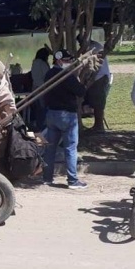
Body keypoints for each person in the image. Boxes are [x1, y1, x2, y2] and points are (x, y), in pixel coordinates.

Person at [42, 49, 88, 189]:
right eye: (68, 61)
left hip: (51, 114)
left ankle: (47, 178)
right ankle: (73, 180)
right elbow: (81, 91)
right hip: (67, 115)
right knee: (70, 148)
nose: (70, 63)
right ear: (60, 60)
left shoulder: (49, 74)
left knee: (50, 148)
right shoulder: (67, 76)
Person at [82, 39, 110, 133]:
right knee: (94, 101)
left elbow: (91, 64)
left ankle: (99, 126)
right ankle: (97, 125)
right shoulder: (93, 46)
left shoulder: (94, 47)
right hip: (97, 77)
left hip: (99, 77)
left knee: (98, 103)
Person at [30, 48, 51, 131]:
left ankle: (39, 126)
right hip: (43, 87)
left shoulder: (34, 63)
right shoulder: (42, 64)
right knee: (44, 108)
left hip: (35, 87)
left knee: (38, 108)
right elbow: (47, 75)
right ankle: (44, 126)